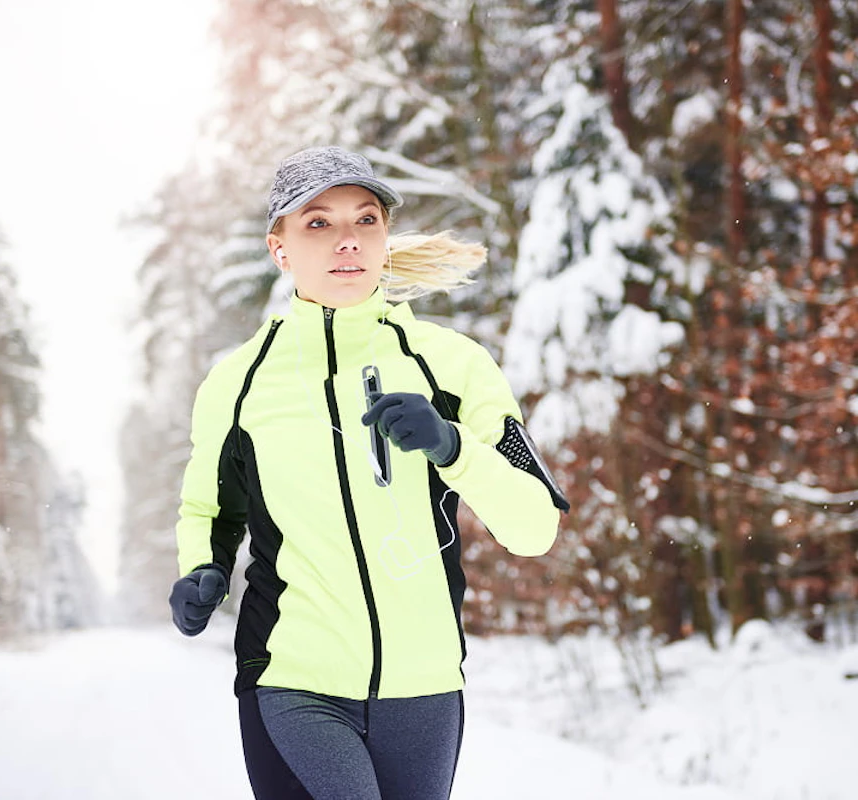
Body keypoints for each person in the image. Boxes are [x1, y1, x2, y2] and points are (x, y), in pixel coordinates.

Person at [168, 145, 570, 800]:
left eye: (366, 219)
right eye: (318, 223)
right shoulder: (238, 384)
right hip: (290, 676)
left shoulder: (454, 366)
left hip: (424, 688)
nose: (347, 239)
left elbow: (535, 528)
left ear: (385, 238)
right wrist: (200, 571)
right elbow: (210, 510)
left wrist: (453, 447)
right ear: (279, 249)